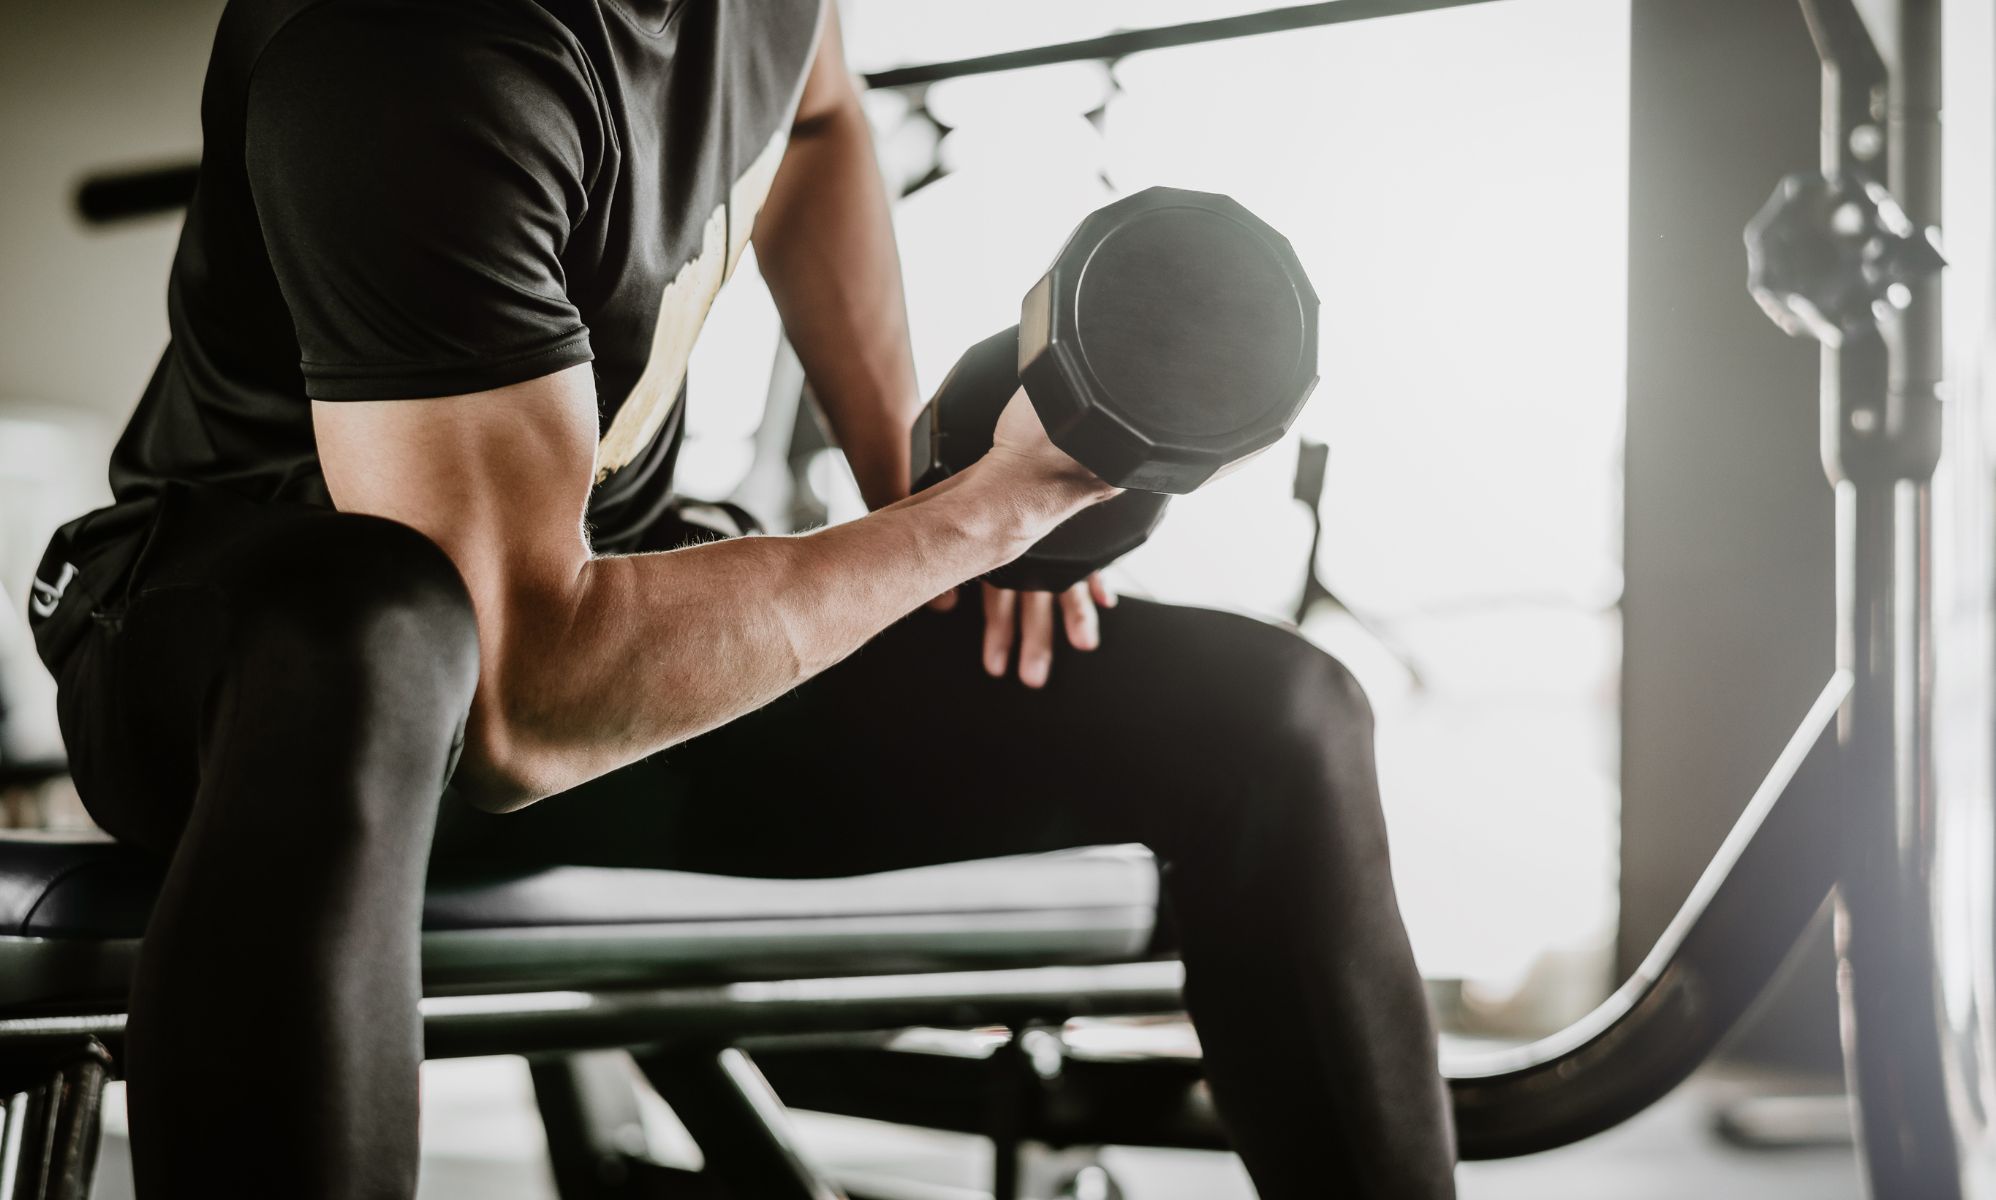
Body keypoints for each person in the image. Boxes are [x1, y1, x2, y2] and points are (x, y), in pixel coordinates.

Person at [28, 0, 1455, 1195]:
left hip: (595, 639)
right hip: (252, 673)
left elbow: (821, 118)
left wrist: (917, 496)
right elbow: (521, 701)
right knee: (383, 630)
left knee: (1278, 721)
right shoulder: (413, 55)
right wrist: (979, 515)